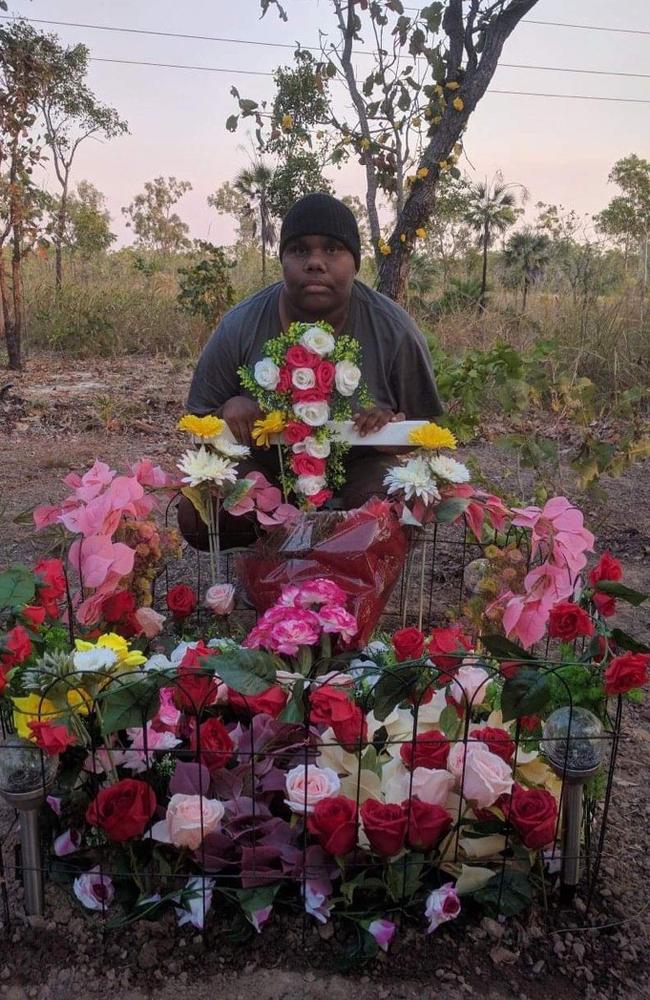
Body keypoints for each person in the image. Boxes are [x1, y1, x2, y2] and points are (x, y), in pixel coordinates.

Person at [179, 191, 443, 549]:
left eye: (332, 249)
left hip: (358, 471)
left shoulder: (394, 330)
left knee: (399, 508)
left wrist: (393, 435)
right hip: (266, 470)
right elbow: (197, 419)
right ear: (283, 260)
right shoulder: (241, 324)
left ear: (355, 263)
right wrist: (226, 411)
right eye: (300, 250)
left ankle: (351, 574)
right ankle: (268, 558)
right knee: (199, 513)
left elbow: (430, 429)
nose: (315, 262)